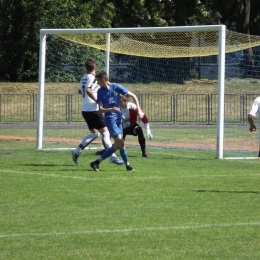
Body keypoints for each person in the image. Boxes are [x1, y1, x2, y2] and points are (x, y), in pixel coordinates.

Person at [71, 58, 124, 165]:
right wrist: (97, 100)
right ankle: (112, 156)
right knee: (105, 132)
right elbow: (88, 90)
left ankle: (77, 151)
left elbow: (80, 91)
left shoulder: (84, 77)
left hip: (85, 109)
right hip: (93, 109)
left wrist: (88, 98)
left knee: (95, 133)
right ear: (94, 67)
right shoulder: (92, 77)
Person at [90, 71, 141, 172]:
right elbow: (100, 109)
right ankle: (128, 166)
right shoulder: (100, 91)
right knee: (121, 142)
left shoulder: (116, 87)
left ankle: (96, 162)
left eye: (98, 80)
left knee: (119, 145)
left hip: (118, 120)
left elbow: (133, 95)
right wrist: (111, 109)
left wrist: (138, 109)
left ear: (103, 80)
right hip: (110, 120)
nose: (97, 83)